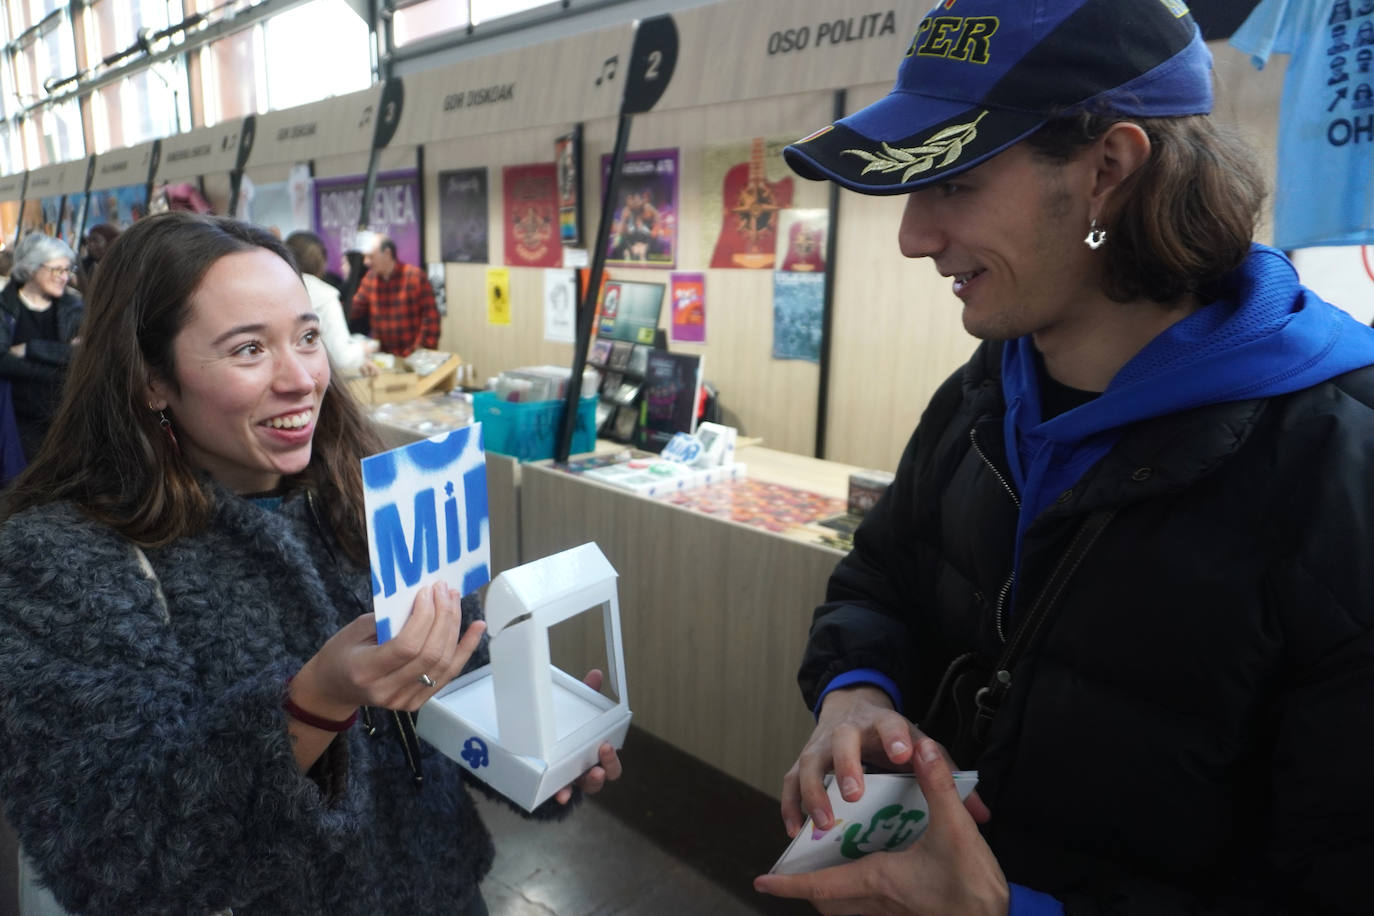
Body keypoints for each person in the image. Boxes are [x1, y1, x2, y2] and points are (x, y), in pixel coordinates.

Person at [755, 1, 1374, 913]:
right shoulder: (983, 389)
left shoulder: (1337, 472)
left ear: (1108, 171)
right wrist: (856, 692)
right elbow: (881, 575)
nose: (913, 236)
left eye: (953, 183)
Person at [0, 212, 621, 915]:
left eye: (306, 337)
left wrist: (533, 749)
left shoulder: (371, 494)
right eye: (247, 350)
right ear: (151, 380)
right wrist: (315, 702)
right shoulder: (63, 559)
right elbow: (111, 856)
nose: (301, 379)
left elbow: (450, 693)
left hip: (439, 892)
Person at [0, 232, 82, 460]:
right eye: (57, 270)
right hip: (16, 422)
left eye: (68, 270)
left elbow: (84, 356)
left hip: (66, 420)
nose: (64, 277)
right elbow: (1, 361)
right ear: (31, 268)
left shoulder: (73, 308)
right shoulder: (5, 307)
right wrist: (58, 367)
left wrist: (30, 349)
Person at [285, 230, 377, 376]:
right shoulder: (324, 296)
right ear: (320, 261)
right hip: (313, 379)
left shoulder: (278, 289)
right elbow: (341, 358)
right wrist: (362, 349)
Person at [349, 233, 440, 358]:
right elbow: (355, 308)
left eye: (370, 257)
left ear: (387, 254)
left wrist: (419, 351)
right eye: (365, 257)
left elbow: (431, 319)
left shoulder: (414, 276)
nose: (366, 262)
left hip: (414, 355)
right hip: (384, 357)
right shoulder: (370, 279)